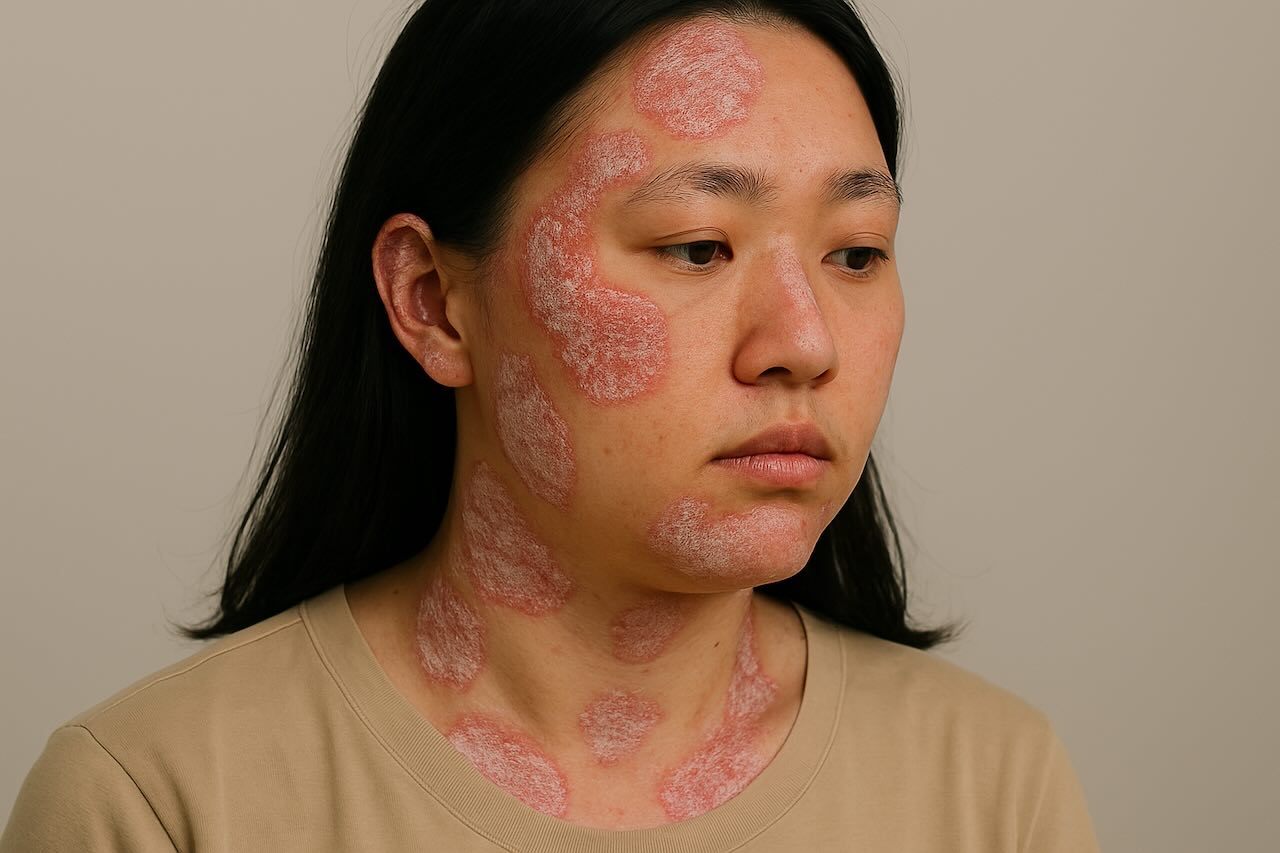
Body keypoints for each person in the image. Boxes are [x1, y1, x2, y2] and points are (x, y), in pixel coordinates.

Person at [2, 0, 1100, 849]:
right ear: (432, 301)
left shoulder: (988, 786)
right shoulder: (157, 802)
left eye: (855, 251)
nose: (803, 341)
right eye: (696, 246)